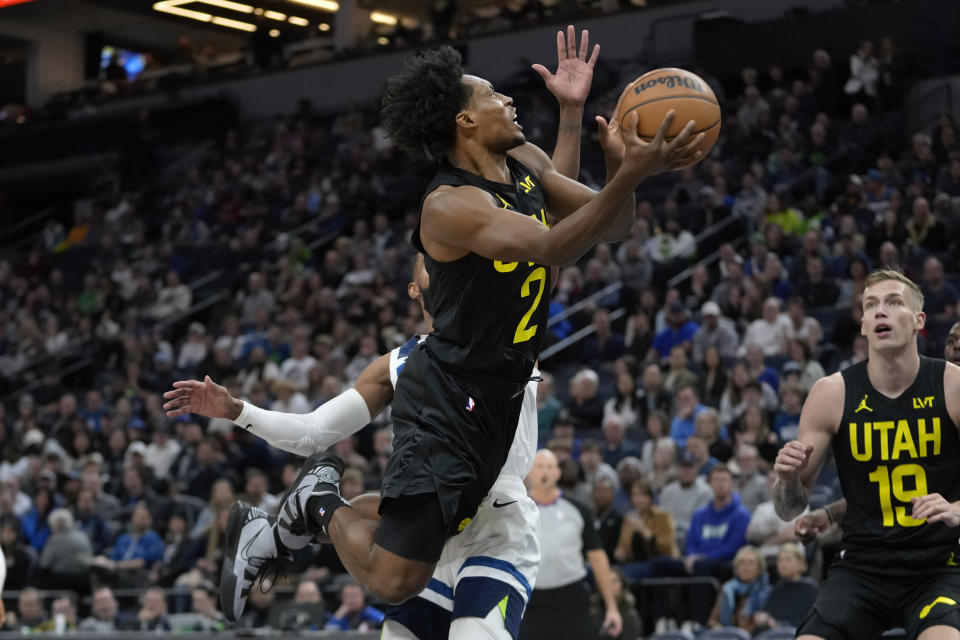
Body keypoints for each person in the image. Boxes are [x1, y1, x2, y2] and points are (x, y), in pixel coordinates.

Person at [222, 27, 698, 624]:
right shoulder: (449, 205)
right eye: (493, 95)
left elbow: (611, 225)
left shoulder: (524, 160)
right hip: (449, 392)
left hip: (499, 392)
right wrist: (630, 176)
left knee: (438, 527)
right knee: (394, 580)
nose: (509, 99)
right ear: (464, 123)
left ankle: (297, 527)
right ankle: (316, 503)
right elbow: (554, 245)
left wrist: (602, 145)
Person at [773, 269, 960, 640]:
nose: (880, 312)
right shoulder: (831, 394)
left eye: (893, 303)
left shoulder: (953, 386)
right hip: (862, 568)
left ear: (919, 320)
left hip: (939, 565)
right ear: (862, 325)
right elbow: (788, 508)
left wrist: (957, 509)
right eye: (871, 305)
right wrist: (788, 479)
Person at [521, 450, 621, 640]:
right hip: (530, 600)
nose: (545, 472)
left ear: (558, 473)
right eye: (540, 466)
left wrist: (612, 607)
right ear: (530, 472)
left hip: (571, 599)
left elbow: (598, 557)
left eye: (550, 467)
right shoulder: (516, 510)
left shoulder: (578, 509)